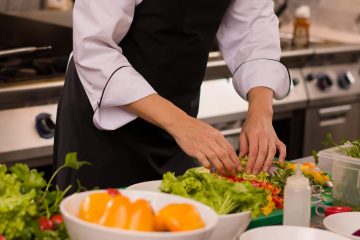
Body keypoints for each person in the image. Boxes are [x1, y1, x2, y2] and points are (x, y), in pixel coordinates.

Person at [54, 0, 291, 190]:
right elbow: (94, 48)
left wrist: (260, 113)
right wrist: (180, 123)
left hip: (178, 125)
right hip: (104, 128)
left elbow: (254, 29)